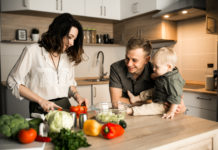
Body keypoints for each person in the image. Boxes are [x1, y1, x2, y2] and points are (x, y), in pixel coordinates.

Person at [7, 13, 88, 115]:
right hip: (41, 109)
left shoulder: (67, 56)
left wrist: (77, 96)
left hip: (65, 107)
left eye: (74, 39)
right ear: (58, 32)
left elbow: (69, 84)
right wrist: (41, 101)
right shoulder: (32, 51)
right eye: (69, 37)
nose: (71, 43)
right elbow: (13, 81)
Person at [109, 37, 186, 114]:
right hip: (126, 115)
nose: (129, 64)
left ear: (147, 59)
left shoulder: (158, 69)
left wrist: (177, 108)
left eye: (134, 60)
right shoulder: (116, 68)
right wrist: (153, 105)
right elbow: (116, 103)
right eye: (127, 58)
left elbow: (179, 105)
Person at [127, 47, 185, 119]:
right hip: (159, 93)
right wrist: (154, 75)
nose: (153, 69)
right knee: (149, 92)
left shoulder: (173, 80)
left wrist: (171, 111)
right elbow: (158, 75)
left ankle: (131, 111)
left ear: (169, 67)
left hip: (163, 104)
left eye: (156, 67)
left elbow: (176, 98)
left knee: (150, 108)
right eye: (153, 65)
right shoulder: (166, 71)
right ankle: (135, 99)